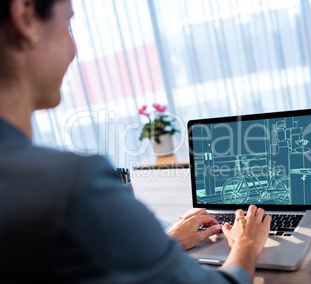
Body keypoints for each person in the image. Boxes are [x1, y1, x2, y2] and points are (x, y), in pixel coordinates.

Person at [0, 0, 272, 283]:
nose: (73, 49)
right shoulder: (73, 184)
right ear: (25, 16)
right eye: (67, 24)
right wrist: (247, 244)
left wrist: (162, 245)